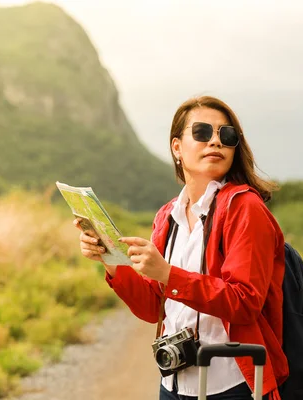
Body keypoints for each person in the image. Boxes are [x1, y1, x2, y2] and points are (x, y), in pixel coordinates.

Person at [74, 96, 288, 400]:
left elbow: (246, 302)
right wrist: (108, 257)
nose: (215, 141)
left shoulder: (245, 208)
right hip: (174, 386)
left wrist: (168, 274)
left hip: (232, 386)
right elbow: (152, 309)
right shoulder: (168, 215)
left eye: (226, 136)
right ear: (177, 147)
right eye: (202, 132)